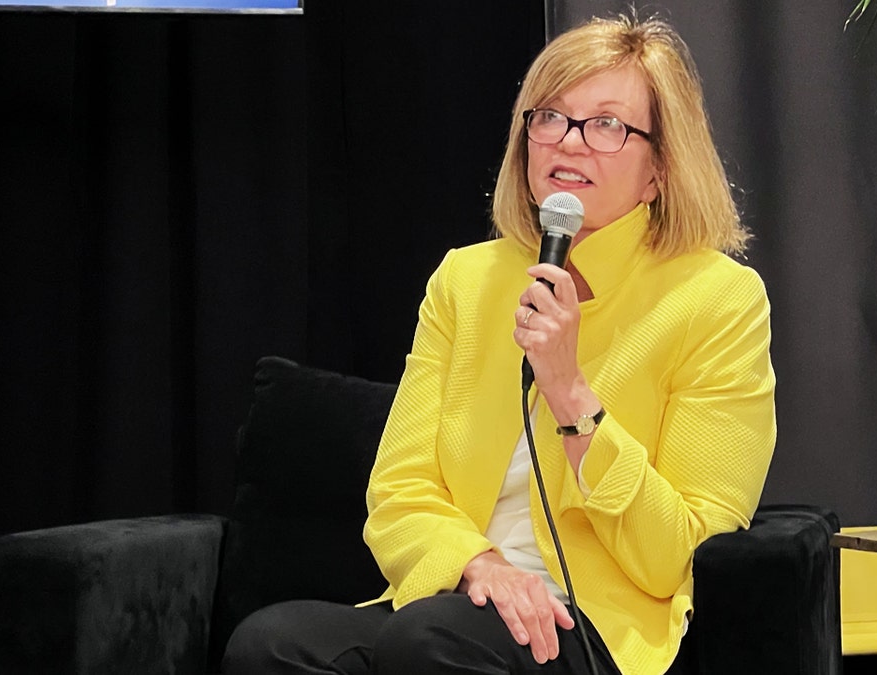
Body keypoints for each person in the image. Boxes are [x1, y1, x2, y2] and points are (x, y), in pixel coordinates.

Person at [223, 12, 774, 675]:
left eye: (606, 125)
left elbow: (688, 550)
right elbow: (401, 489)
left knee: (429, 641)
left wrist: (571, 393)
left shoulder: (719, 299)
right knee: (269, 643)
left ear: (659, 168)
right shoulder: (466, 280)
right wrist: (475, 563)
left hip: (592, 624)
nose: (569, 143)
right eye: (551, 118)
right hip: (457, 598)